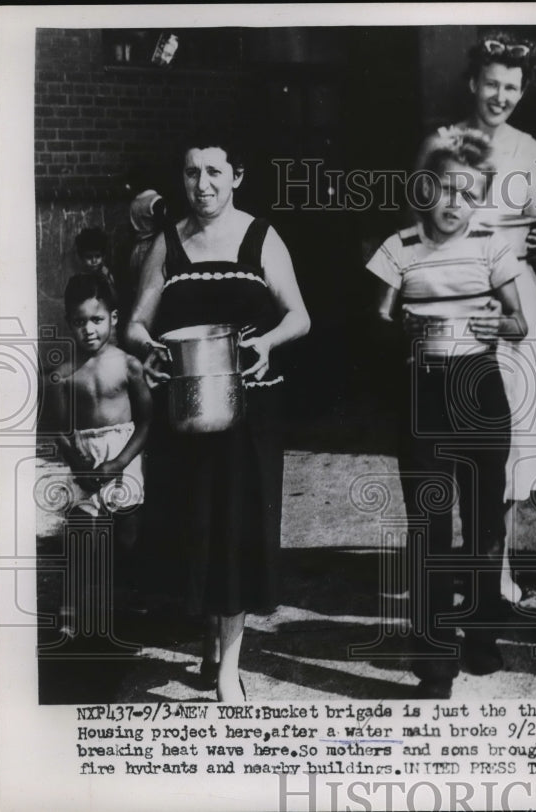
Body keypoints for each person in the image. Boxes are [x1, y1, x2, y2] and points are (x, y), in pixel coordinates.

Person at [126, 132, 310, 702]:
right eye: (190, 173)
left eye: (213, 172)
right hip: (186, 411)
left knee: (235, 535)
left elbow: (299, 316)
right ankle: (210, 645)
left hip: (249, 413)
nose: (201, 185)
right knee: (196, 530)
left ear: (236, 177)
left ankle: (228, 668)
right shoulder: (167, 243)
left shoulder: (260, 237)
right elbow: (133, 323)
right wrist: (150, 349)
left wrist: (268, 344)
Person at [369, 126, 528, 699]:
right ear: (424, 190)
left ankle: (482, 636)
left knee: (486, 522)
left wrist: (498, 325)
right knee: (430, 527)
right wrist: (398, 329)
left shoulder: (491, 245)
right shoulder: (399, 247)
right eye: (443, 190)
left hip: (479, 389)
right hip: (423, 393)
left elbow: (519, 322)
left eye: (466, 193)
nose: (453, 204)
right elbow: (375, 321)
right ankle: (434, 661)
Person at [417, 31, 536, 603]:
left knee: (512, 434)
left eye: (512, 88)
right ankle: (451, 564)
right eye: (492, 83)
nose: (500, 96)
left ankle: (493, 571)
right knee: (456, 435)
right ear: (473, 82)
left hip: (516, 294)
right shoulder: (443, 141)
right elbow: (423, 226)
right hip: (456, 292)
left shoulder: (530, 148)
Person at [47, 273, 152, 634]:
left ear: (114, 318)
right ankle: (70, 610)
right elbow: (58, 429)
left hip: (122, 454)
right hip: (84, 459)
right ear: (68, 324)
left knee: (129, 534)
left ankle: (132, 595)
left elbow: (145, 423)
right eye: (79, 322)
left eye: (97, 319)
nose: (88, 330)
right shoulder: (63, 375)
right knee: (82, 531)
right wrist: (79, 465)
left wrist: (120, 462)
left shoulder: (128, 365)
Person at [74, 227, 118, 313]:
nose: (94, 261)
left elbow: (115, 299)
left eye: (97, 256)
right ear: (82, 258)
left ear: (103, 256)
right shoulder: (81, 277)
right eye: (89, 257)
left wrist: (107, 280)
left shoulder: (106, 274)